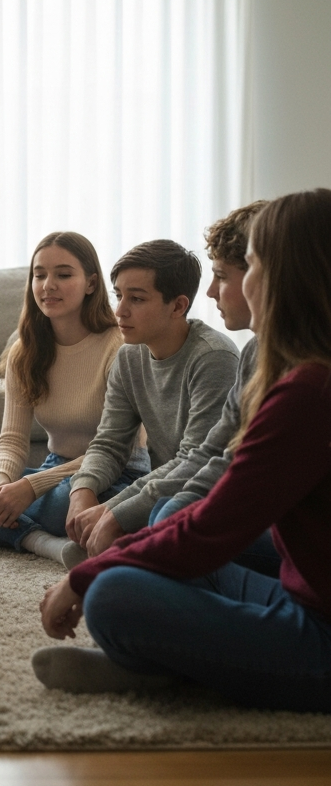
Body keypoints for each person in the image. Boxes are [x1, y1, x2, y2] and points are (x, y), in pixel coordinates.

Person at [34, 188, 331, 713]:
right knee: (161, 544)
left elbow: (213, 524)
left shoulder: (308, 393)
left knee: (113, 596)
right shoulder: (298, 373)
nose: (226, 287)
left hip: (319, 633)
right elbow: (210, 497)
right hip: (301, 590)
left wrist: (84, 575)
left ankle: (170, 669)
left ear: (289, 275)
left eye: (252, 264)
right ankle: (184, 659)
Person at [0, 232, 147, 565]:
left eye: (63, 275)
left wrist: (31, 487)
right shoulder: (24, 353)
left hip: (113, 476)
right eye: (40, 275)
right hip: (55, 470)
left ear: (91, 283)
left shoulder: (119, 347)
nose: (48, 284)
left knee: (59, 508)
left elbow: (121, 449)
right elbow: (11, 440)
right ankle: (38, 542)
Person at [61, 239, 240, 566]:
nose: (120, 311)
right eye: (119, 295)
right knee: (69, 498)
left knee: (161, 514)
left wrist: (114, 513)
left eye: (137, 299)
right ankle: (113, 548)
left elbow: (197, 461)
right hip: (159, 486)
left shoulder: (214, 358)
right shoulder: (129, 356)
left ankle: (121, 555)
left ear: (177, 306)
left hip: (200, 493)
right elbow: (109, 442)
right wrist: (82, 493)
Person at [144, 201, 280, 577]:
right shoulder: (254, 350)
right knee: (165, 516)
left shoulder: (223, 355)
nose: (210, 292)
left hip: (295, 537)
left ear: (265, 275)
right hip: (260, 514)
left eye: (221, 276)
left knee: (121, 585)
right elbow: (215, 450)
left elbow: (234, 470)